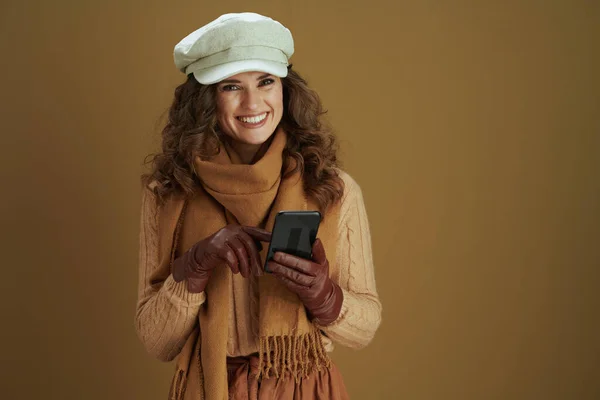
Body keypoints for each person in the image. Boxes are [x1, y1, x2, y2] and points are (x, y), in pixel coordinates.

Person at [135, 12, 382, 400]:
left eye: (266, 81)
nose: (253, 102)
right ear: (205, 99)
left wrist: (323, 295)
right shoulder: (169, 193)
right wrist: (194, 268)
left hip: (305, 388)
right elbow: (157, 342)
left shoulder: (332, 189)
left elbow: (364, 329)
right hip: (209, 387)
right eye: (231, 86)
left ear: (285, 88)